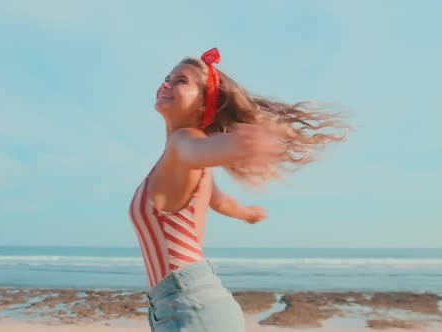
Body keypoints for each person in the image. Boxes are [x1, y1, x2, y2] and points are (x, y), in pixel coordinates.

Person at [129, 47, 349, 332]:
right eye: (167, 77)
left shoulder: (183, 144)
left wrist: (238, 146)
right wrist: (247, 213)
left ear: (201, 104)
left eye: (180, 80)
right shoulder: (188, 167)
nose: (166, 83)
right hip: (188, 304)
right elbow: (220, 202)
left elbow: (200, 148)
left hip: (188, 304)